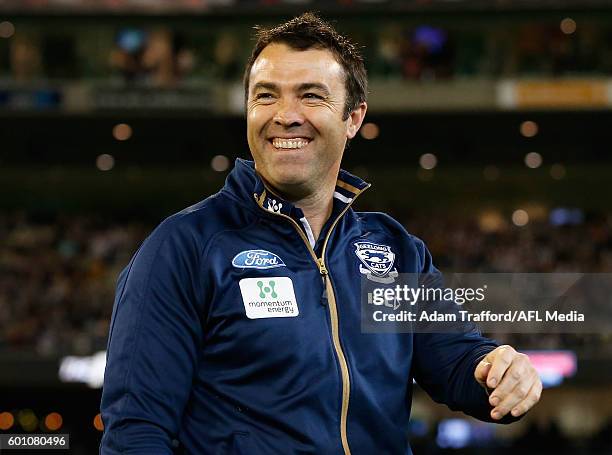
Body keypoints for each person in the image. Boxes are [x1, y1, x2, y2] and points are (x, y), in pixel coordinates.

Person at [100, 13, 541, 454]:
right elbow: (137, 433)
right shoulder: (184, 248)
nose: (285, 116)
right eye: (266, 96)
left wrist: (502, 373)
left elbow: (460, 364)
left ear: (353, 117)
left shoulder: (394, 251)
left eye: (311, 96)